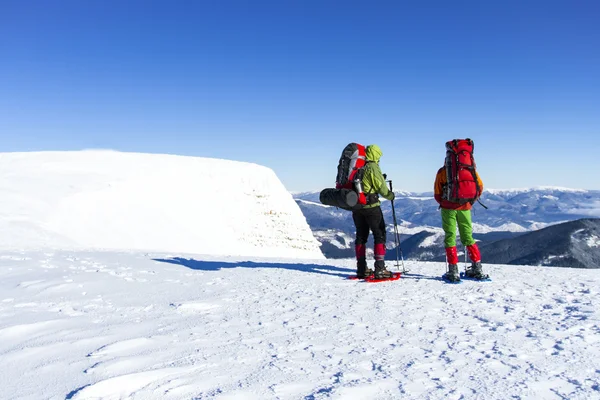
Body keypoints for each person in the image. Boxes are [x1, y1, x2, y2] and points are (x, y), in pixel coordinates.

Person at [434, 163, 487, 282]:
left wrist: (445, 202)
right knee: (468, 236)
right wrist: (469, 202)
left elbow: (437, 193)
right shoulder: (470, 170)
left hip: (448, 208)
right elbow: (479, 187)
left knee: (450, 237)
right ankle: (477, 268)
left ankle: (453, 271)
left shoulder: (443, 171)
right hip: (465, 207)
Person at [353, 144, 395, 279]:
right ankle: (380, 268)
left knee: (361, 236)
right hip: (371, 206)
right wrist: (390, 195)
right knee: (379, 234)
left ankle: (361, 269)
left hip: (357, 206)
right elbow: (381, 188)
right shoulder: (372, 167)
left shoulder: (359, 166)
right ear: (375, 154)